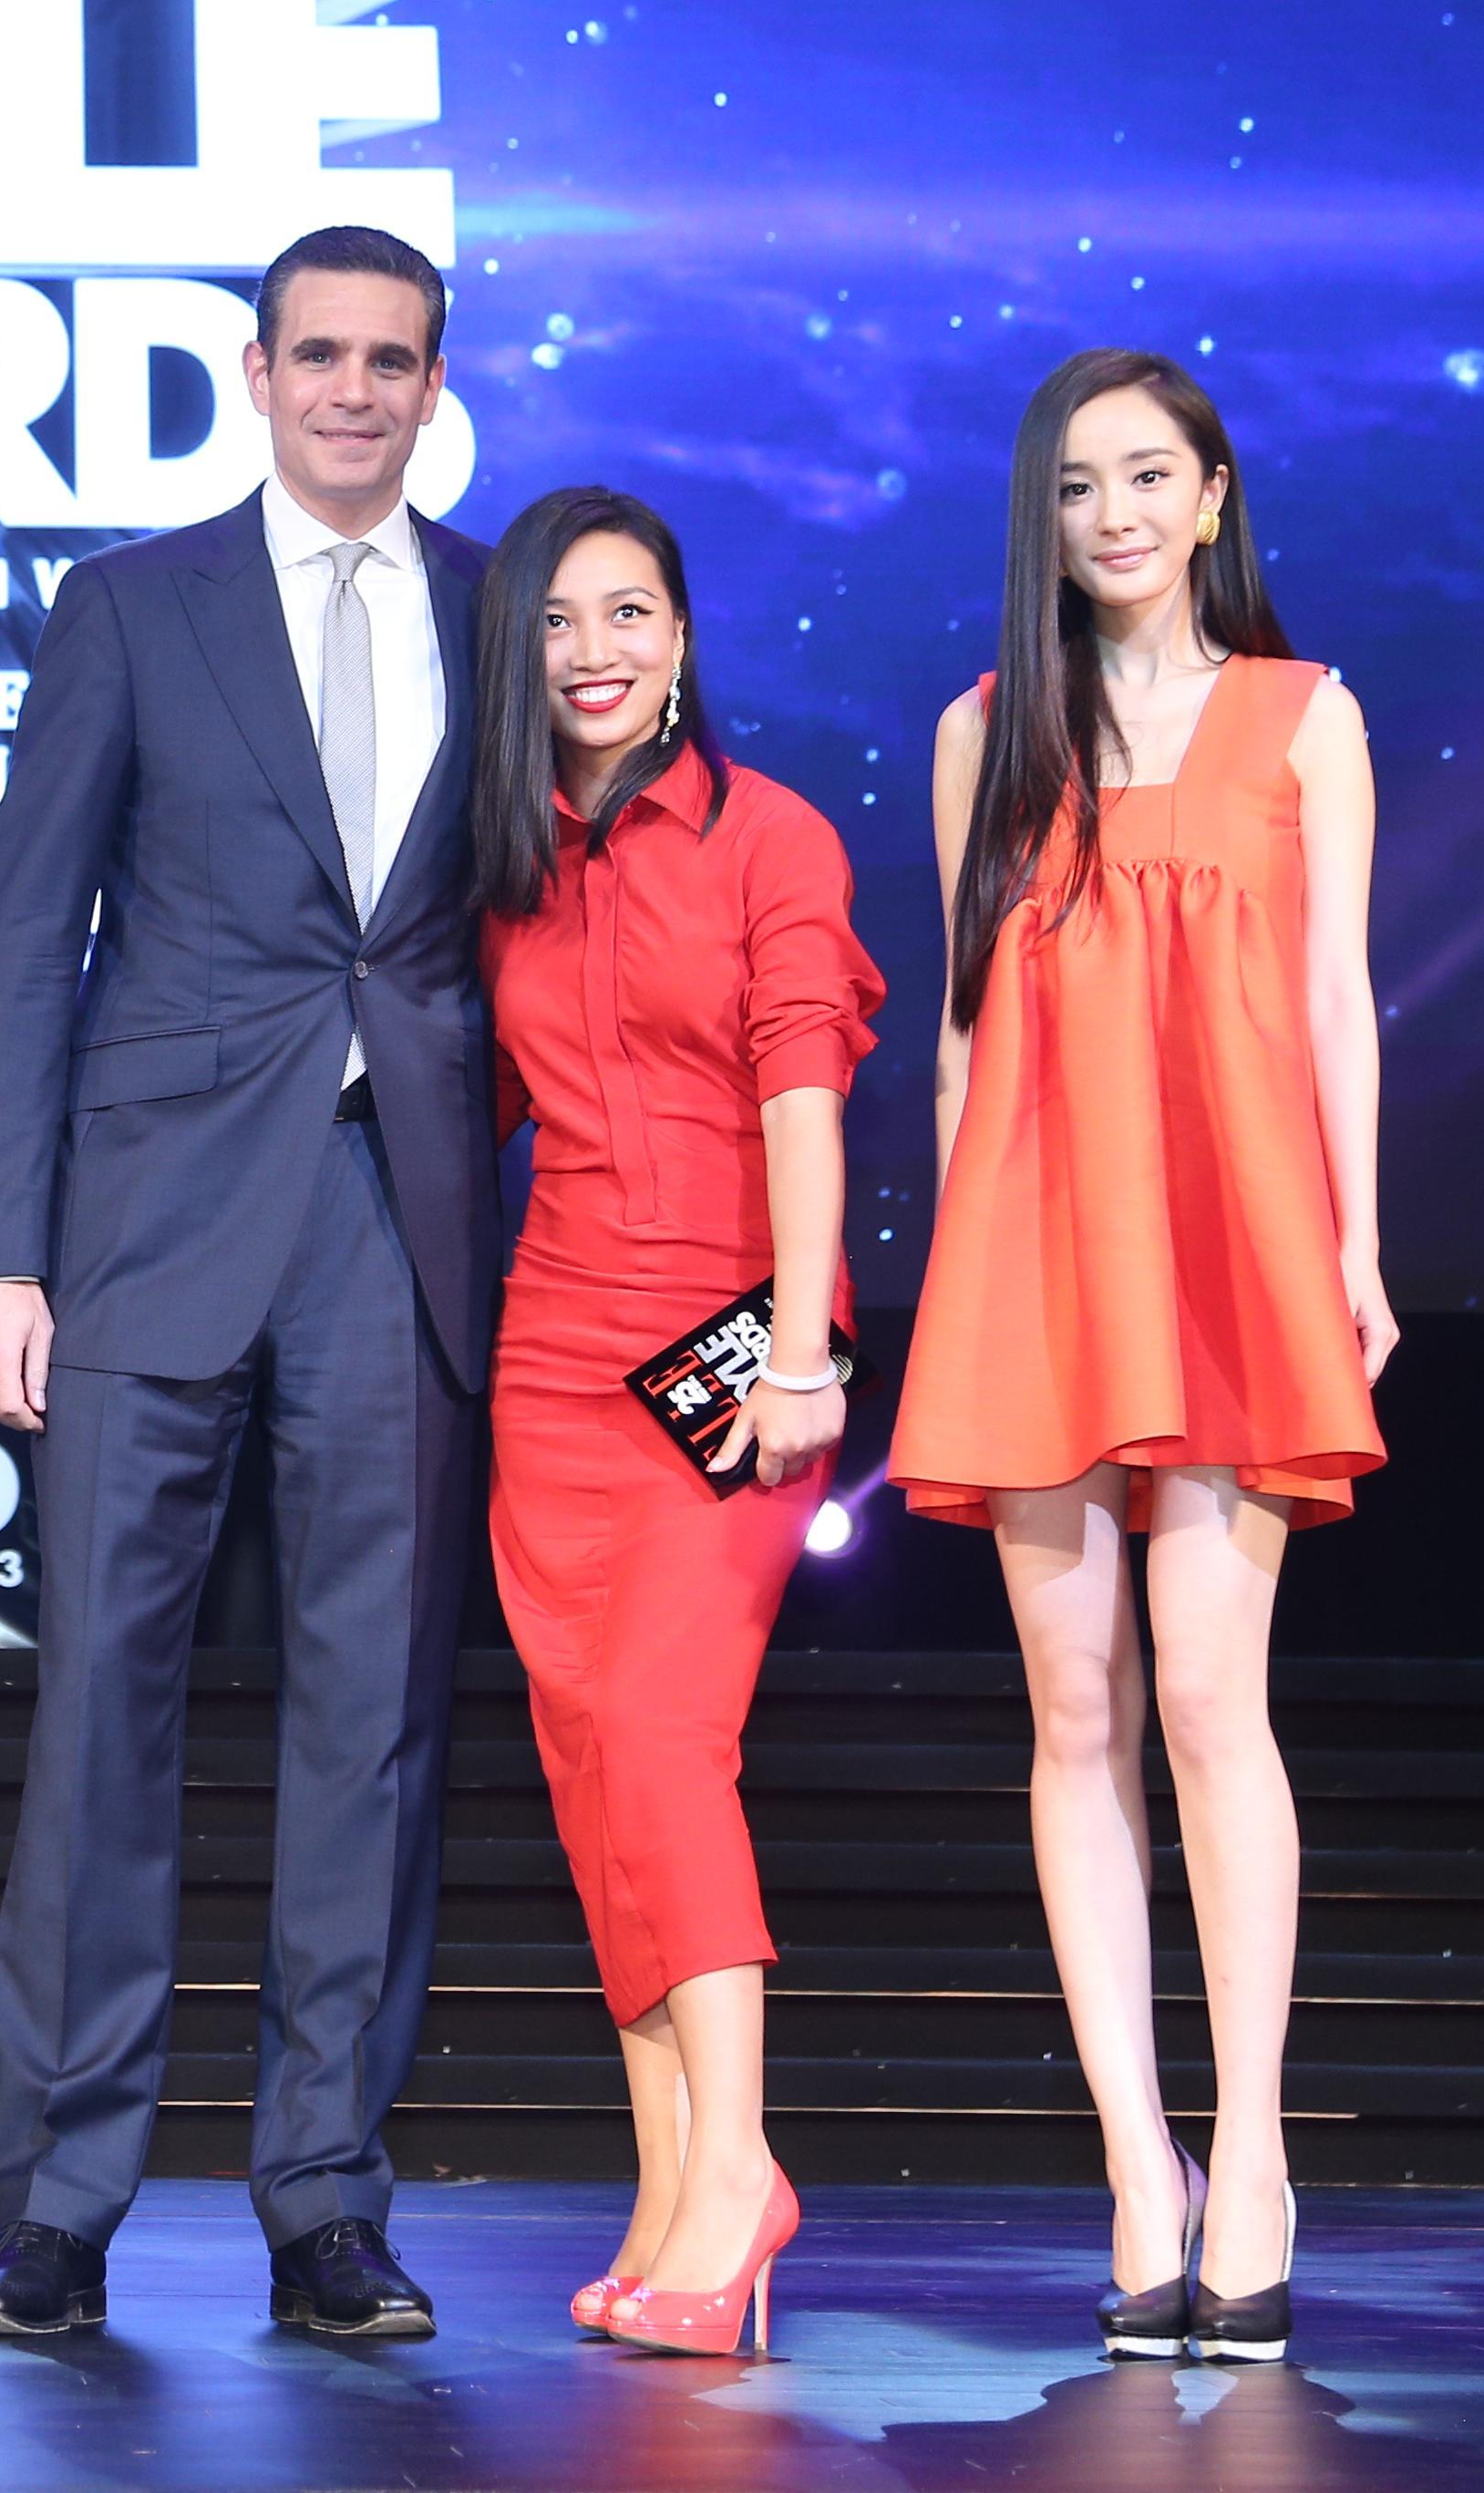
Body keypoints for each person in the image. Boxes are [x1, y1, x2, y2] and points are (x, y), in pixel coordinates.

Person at [0, 223, 503, 2346]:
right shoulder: (133, 605)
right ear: (256, 376)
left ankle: (326, 2198)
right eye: (319, 354)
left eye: (393, 359)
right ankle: (58, 2208)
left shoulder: (502, 608)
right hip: (148, 1223)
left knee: (375, 1727)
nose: (355, 389)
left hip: (397, 1220)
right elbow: (26, 941)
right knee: (103, 1712)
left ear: (435, 383)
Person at [891, 349, 1395, 2370]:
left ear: (1212, 496)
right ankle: (1134, 2166)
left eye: (1147, 476)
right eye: (1078, 483)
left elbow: (1341, 1001)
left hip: (1232, 1244)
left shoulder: (1305, 717)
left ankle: (1253, 2155)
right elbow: (958, 1032)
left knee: (1203, 1692)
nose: (1112, 514)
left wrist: (1355, 1246)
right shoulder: (985, 734)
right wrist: (952, 1270)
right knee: (1074, 1706)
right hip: (1033, 1249)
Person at [471, 488, 880, 2363]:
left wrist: (801, 1349)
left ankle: (741, 2176)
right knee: (592, 1769)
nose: (596, 651)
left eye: (628, 612)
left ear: (684, 637)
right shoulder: (502, 862)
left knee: (659, 1734)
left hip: (732, 1348)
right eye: (560, 621)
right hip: (552, 1355)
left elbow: (806, 1100)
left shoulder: (769, 835)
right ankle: (667, 2196)